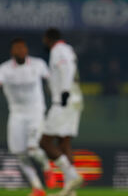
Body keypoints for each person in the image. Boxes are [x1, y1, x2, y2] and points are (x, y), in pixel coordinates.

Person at [0, 38, 55, 196]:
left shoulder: (38, 65)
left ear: (27, 50)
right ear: (12, 52)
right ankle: (37, 187)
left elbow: (50, 81)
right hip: (16, 114)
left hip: (36, 112)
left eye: (23, 48)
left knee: (33, 149)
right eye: (17, 48)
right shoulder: (4, 69)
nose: (21, 51)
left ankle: (46, 167)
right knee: (19, 153)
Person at [40, 28, 84, 196]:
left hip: (64, 101)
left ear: (47, 38)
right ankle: (70, 191)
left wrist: (64, 91)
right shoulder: (68, 49)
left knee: (44, 142)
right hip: (74, 100)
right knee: (64, 144)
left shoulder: (58, 50)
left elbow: (67, 69)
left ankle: (72, 176)